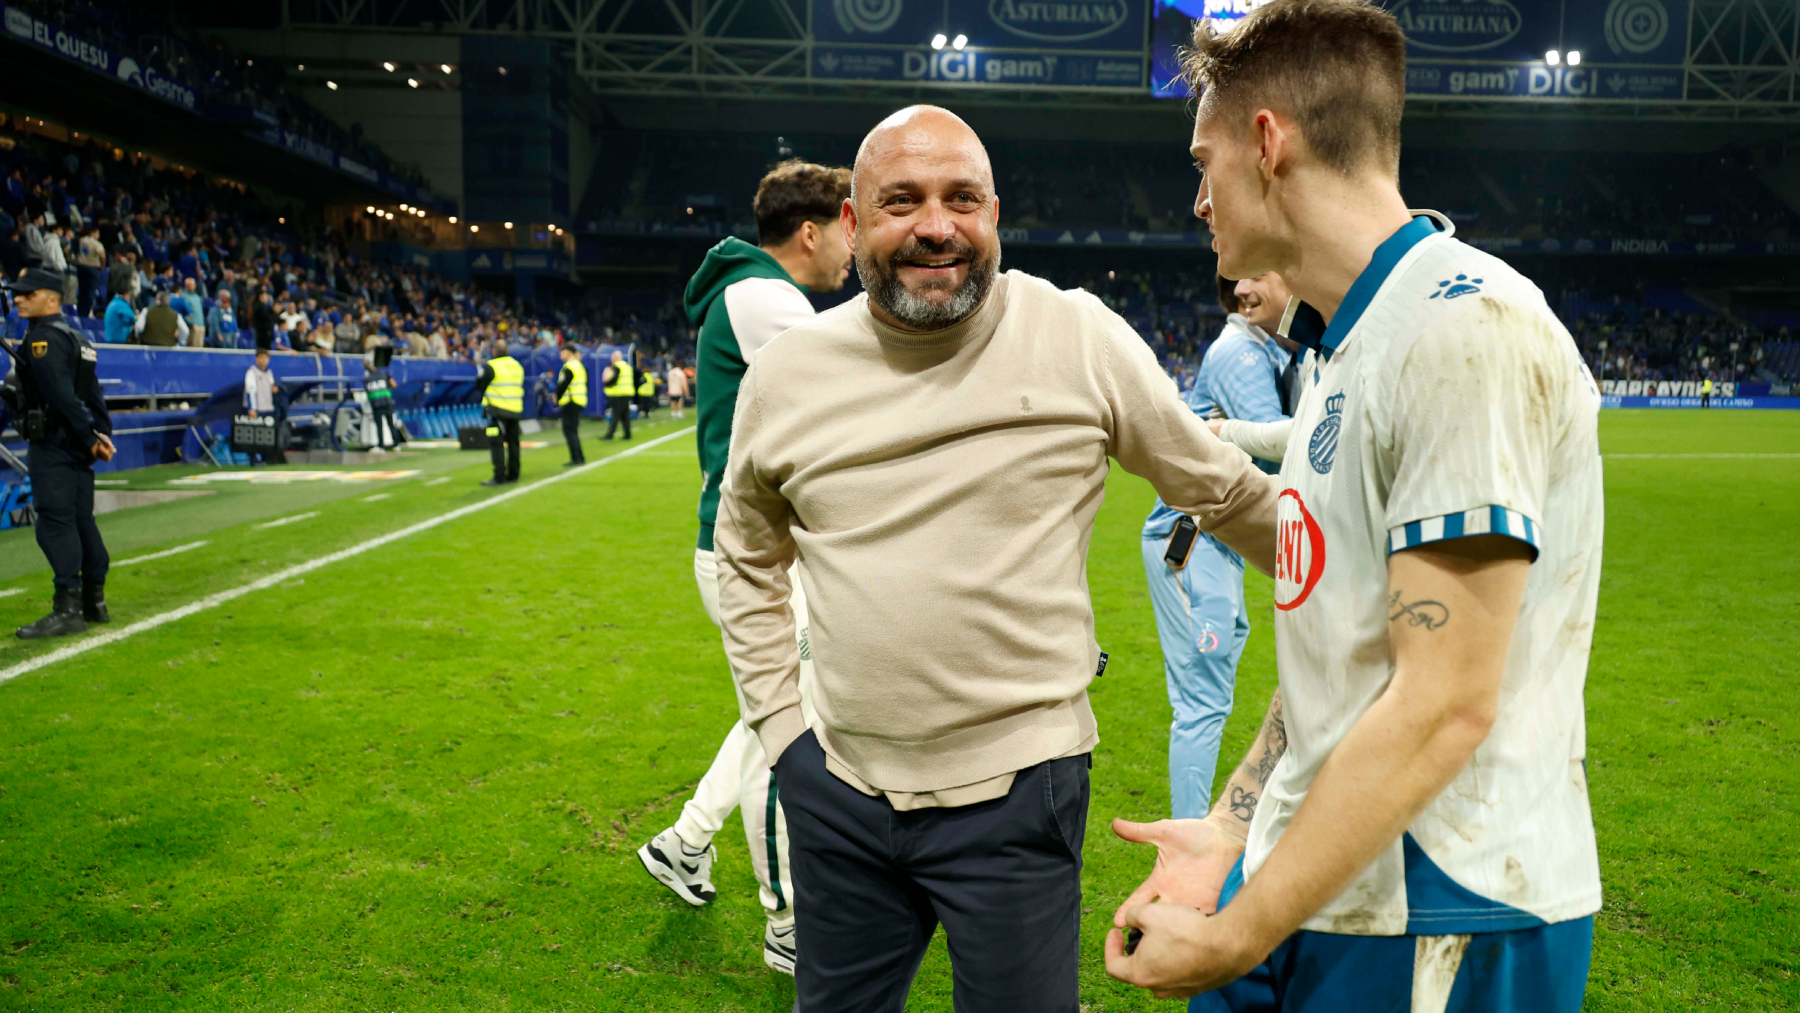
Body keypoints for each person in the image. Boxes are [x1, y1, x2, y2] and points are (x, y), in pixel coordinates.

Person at [712, 107, 1277, 1009]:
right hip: (842, 794)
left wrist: (1359, 571)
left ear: (994, 216)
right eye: (902, 200)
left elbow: (1224, 489)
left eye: (960, 198)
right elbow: (744, 556)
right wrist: (784, 733)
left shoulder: (1076, 337)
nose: (936, 224)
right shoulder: (789, 375)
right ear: (853, 223)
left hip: (1019, 798)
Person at [1102, 4, 1604, 1010]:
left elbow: (1442, 701)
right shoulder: (1349, 345)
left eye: (1203, 163)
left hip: (1444, 905)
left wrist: (1238, 926)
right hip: (1332, 878)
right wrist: (1238, 820)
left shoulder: (1464, 329)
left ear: (1267, 141)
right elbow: (1346, 642)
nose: (1199, 199)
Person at [637, 158, 854, 976]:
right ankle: (788, 919)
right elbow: (851, 390)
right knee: (785, 727)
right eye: (847, 224)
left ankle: (686, 842)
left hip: (754, 545)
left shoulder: (762, 293)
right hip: (751, 550)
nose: (853, 246)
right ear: (811, 230)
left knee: (777, 709)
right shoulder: (765, 297)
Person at [1141, 271, 1295, 821]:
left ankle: (1200, 833)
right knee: (1202, 701)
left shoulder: (1271, 351)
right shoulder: (1241, 353)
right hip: (1189, 541)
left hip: (1219, 542)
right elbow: (1291, 440)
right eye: (1242, 278)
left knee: (1212, 694)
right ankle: (1185, 840)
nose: (1245, 288)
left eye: (1259, 275)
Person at [7, 268, 114, 639]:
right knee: (81, 519)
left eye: (26, 293)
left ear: (51, 297)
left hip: (55, 442)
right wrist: (100, 435)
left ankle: (66, 609)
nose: (17, 299)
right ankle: (93, 600)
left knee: (55, 522)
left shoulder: (43, 339)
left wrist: (89, 437)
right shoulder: (79, 337)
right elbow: (93, 393)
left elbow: (61, 396)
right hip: (78, 445)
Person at [475, 339, 523, 486]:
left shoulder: (491, 366)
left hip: (497, 410)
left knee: (497, 443)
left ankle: (499, 476)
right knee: (514, 443)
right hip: (515, 409)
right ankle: (514, 474)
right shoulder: (517, 365)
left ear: (494, 351)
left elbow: (480, 385)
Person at [243, 348, 286, 465]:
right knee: (255, 436)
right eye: (261, 357)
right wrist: (252, 408)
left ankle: (268, 459)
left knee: (267, 436)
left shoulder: (269, 373)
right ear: (256, 359)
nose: (263, 360)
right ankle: (254, 460)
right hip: (259, 409)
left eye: (265, 357)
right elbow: (250, 390)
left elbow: (272, 386)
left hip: (268, 408)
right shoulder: (252, 372)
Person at [554, 343, 588, 466]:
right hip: (579, 400)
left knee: (569, 430)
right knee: (573, 430)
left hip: (570, 401)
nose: (561, 354)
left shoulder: (569, 367)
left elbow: (563, 384)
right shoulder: (579, 366)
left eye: (562, 351)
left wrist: (557, 396)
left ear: (568, 352)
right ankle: (579, 457)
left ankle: (576, 458)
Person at [363, 349, 403, 451]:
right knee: (391, 424)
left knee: (379, 426)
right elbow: (394, 384)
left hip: (376, 404)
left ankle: (381, 446)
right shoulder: (384, 374)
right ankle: (396, 444)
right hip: (387, 402)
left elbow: (367, 391)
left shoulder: (367, 378)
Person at [600, 349, 634, 441]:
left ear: (614, 358)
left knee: (616, 414)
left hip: (619, 393)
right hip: (628, 392)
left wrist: (607, 384)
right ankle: (627, 434)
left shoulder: (617, 366)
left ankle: (610, 434)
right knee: (625, 415)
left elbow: (614, 379)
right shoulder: (627, 366)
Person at [101, 265, 137, 346]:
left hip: (113, 340)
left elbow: (125, 319)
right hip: (117, 342)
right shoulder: (120, 304)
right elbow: (133, 318)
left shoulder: (114, 302)